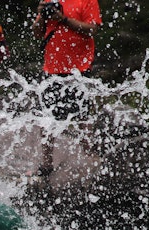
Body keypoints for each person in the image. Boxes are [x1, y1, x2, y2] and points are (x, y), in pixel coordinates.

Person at [31, 0, 102, 177]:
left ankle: (90, 158)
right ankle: (47, 164)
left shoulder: (87, 1)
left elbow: (92, 30)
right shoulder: (49, 1)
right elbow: (37, 33)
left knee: (83, 116)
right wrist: (41, 16)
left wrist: (63, 19)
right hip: (52, 69)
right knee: (47, 119)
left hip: (79, 68)